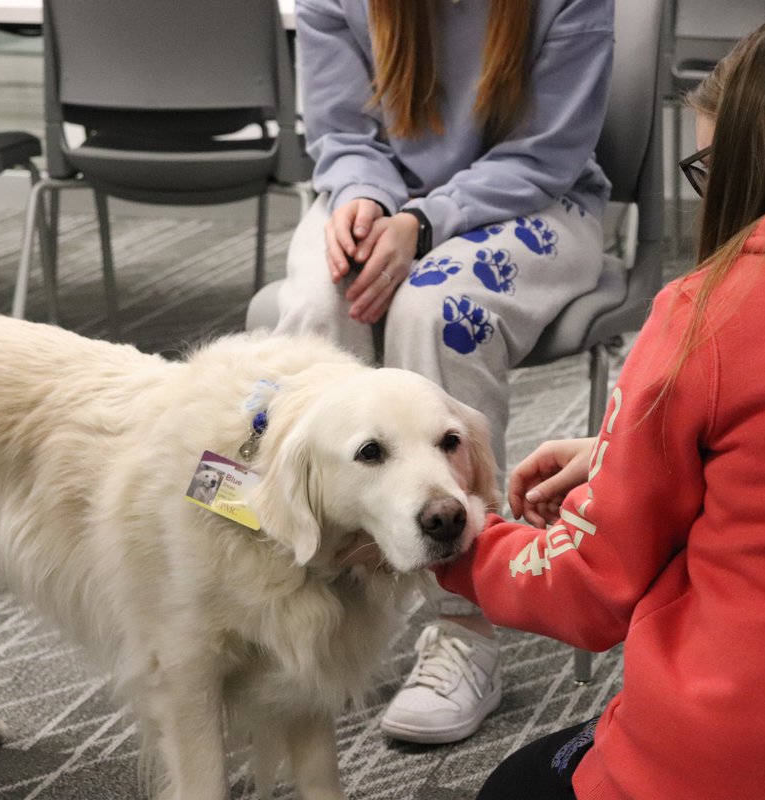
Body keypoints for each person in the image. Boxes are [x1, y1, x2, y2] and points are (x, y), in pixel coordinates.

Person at [435, 4, 765, 797]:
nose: (708, 191)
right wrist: (620, 453)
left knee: (510, 785)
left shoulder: (710, 314)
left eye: (711, 167)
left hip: (729, 761)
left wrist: (455, 546)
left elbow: (590, 590)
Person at [276, 0, 614, 744]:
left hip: (534, 200)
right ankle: (303, 612)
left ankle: (464, 629)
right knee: (314, 307)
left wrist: (426, 224)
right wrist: (366, 200)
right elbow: (340, 133)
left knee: (433, 311)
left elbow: (548, 151)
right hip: (377, 198)